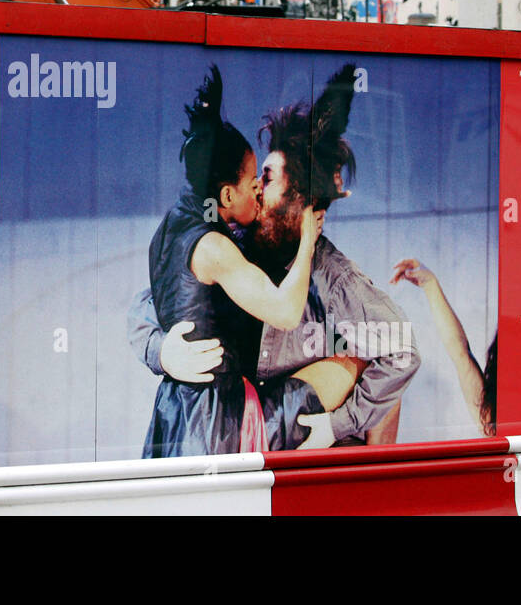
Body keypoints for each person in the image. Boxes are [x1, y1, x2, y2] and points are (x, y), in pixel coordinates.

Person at [133, 64, 420, 450]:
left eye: (265, 180)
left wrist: (339, 424)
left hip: (283, 439)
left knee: (370, 374)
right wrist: (163, 352)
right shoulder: (226, 241)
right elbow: (147, 305)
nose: (255, 187)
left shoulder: (333, 278)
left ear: (298, 200)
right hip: (220, 429)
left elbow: (402, 349)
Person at [141, 66, 325, 458]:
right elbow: (287, 313)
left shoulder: (169, 227)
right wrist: (307, 240)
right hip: (213, 420)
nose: (259, 190)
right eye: (251, 183)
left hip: (174, 410)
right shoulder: (213, 248)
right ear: (226, 196)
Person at [389, 258, 497, 435]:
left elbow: (460, 353)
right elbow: (460, 352)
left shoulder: (491, 420)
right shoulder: (491, 417)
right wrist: (430, 285)